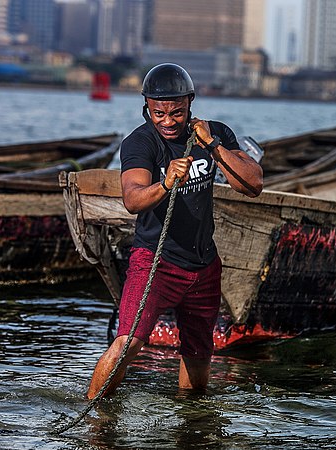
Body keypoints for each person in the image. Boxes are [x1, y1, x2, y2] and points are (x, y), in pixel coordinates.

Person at [87, 63, 263, 399]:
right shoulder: (140, 143)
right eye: (159, 113)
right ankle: (94, 418)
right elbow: (133, 199)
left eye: (177, 113)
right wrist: (166, 182)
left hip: (203, 266)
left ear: (190, 103)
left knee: (199, 353)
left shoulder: (216, 133)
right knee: (128, 343)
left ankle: (190, 423)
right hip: (155, 262)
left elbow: (252, 185)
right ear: (147, 108)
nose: (168, 121)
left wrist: (212, 145)